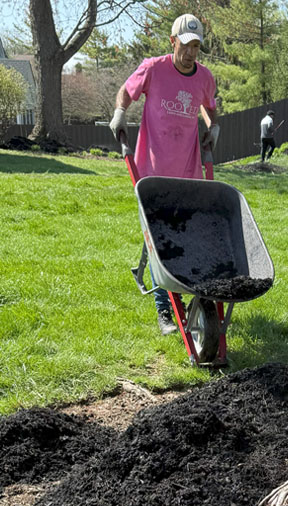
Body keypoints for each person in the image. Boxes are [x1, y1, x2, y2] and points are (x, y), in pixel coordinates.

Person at [109, 13, 220, 336]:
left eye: (196, 46)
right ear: (173, 42)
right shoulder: (153, 68)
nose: (190, 53)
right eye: (185, 45)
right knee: (159, 239)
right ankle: (165, 310)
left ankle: (186, 295)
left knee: (186, 234)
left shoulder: (204, 77)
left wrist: (214, 125)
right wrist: (119, 113)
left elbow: (209, 104)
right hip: (152, 171)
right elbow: (126, 92)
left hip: (188, 172)